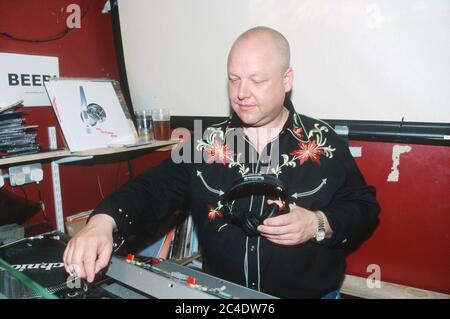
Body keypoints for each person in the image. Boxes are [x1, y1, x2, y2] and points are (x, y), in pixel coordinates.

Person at [63, 26, 380, 298]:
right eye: (233, 79)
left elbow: (364, 207)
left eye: (256, 80)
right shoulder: (203, 143)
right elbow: (152, 188)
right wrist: (103, 221)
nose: (241, 92)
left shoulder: (323, 142)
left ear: (286, 79)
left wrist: (317, 224)